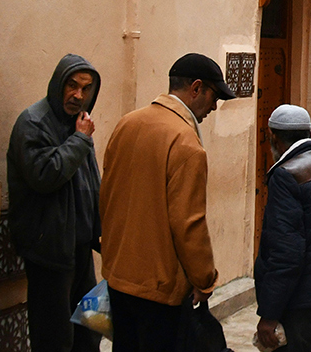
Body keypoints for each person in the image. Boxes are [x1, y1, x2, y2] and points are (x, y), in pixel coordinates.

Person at [99, 53, 236, 351]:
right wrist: (205, 279)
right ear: (196, 88)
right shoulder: (187, 144)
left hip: (119, 278)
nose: (215, 106)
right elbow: (189, 224)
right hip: (160, 290)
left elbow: (106, 196)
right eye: (214, 97)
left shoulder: (127, 124)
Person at [7, 54, 102, 352]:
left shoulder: (78, 125)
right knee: (55, 337)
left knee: (90, 331)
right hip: (49, 251)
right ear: (58, 84)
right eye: (72, 86)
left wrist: (101, 231)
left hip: (80, 248)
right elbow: (45, 175)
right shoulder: (33, 123)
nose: (78, 95)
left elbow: (90, 182)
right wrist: (80, 140)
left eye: (86, 89)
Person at [254, 105, 311, 352]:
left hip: (298, 301)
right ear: (309, 134)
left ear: (274, 137)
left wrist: (270, 315)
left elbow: (286, 253)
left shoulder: (286, 176)